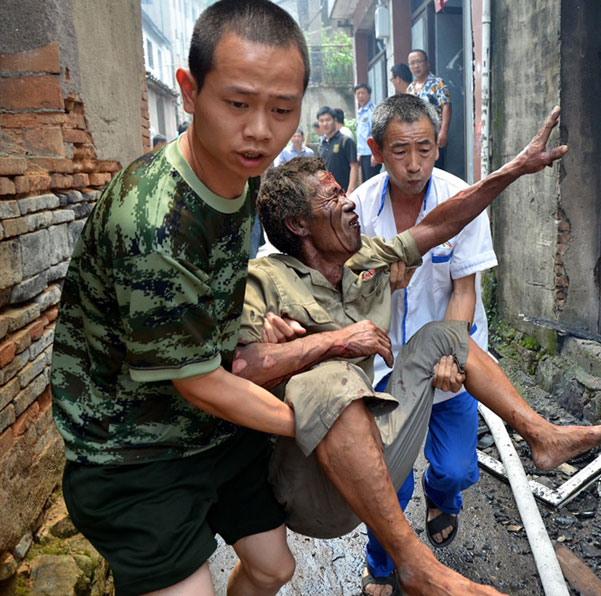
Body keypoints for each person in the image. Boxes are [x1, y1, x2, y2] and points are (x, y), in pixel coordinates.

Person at [233, 109, 601, 596]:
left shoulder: (364, 256)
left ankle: (541, 436)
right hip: (314, 485)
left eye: (342, 190)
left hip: (375, 440)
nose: (348, 202)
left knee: (444, 336)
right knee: (327, 379)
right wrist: (330, 342)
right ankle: (414, 565)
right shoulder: (265, 280)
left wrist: (515, 169)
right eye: (332, 197)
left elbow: (441, 224)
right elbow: (242, 368)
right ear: (298, 225)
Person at [49, 1, 309, 594]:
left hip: (206, 431)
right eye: (238, 103)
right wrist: (310, 420)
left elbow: (211, 289)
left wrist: (247, 324)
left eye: (282, 109)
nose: (260, 130)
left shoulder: (239, 178)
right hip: (131, 453)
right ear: (189, 92)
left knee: (274, 569)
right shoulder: (153, 220)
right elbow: (195, 381)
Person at [351, 92, 494, 590]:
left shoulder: (462, 199)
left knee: (455, 469)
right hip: (385, 363)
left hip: (447, 357)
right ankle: (382, 562)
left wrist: (453, 353)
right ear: (376, 148)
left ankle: (442, 496)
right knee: (388, 478)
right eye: (400, 151)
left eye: (425, 149)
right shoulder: (358, 212)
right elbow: (343, 293)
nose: (414, 165)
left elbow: (464, 288)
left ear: (438, 146)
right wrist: (379, 287)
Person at [407, 50, 450, 168]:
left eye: (419, 62)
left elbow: (446, 106)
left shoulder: (438, 83)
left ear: (427, 63)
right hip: (416, 137)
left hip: (435, 135)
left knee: (436, 168)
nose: (416, 66)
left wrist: (444, 131)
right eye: (412, 63)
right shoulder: (411, 88)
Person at [316, 105, 358, 193]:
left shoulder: (345, 141)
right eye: (321, 121)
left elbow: (354, 166)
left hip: (345, 192)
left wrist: (350, 190)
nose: (325, 124)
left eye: (328, 120)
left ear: (335, 120)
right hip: (329, 194)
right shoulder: (322, 145)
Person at [354, 83, 380, 182]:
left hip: (371, 153)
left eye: (363, 93)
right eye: (358, 93)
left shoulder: (372, 110)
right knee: (365, 183)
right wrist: (359, 153)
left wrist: (375, 154)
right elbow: (361, 135)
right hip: (364, 153)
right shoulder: (361, 112)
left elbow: (376, 132)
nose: (360, 96)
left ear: (369, 94)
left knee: (372, 182)